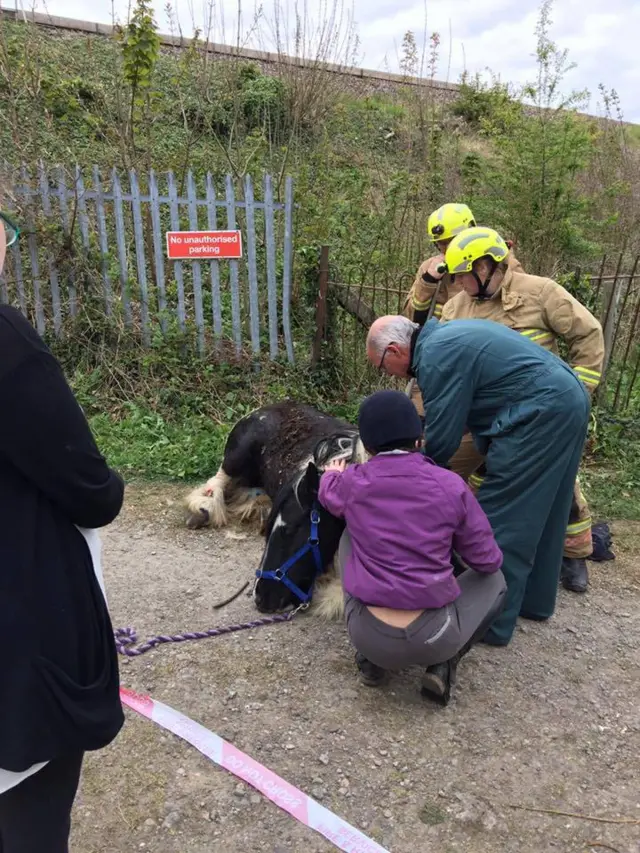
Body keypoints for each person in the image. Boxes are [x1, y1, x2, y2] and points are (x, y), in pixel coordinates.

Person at [366, 257, 591, 647]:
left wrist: (409, 480)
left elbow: (443, 437)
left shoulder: (436, 356)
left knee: (504, 519)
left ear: (396, 350)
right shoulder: (444, 340)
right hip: (564, 402)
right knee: (549, 511)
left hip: (540, 414)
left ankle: (491, 622)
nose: (388, 375)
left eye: (382, 366)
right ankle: (533, 604)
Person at [0, 208, 125, 853]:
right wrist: (111, 487)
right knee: (30, 822)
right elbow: (89, 489)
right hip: (19, 644)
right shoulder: (7, 344)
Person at [439, 227, 604, 595]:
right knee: (449, 473)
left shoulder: (540, 293)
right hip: (479, 419)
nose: (459, 283)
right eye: (456, 276)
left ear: (486, 266)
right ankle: (461, 549)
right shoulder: (456, 307)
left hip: (537, 419)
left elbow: (588, 335)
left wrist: (577, 392)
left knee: (563, 486)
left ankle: (573, 554)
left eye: (464, 274)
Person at [318, 389, 506, 706]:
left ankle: (371, 663)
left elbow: (329, 495)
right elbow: (486, 561)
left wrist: (331, 475)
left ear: (368, 446)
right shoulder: (451, 485)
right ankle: (444, 664)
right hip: (436, 637)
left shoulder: (352, 482)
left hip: (369, 636)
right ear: (419, 439)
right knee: (497, 580)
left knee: (350, 534)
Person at [403, 203, 522, 482]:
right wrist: (428, 282)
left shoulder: (495, 262)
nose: (445, 251)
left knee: (491, 452)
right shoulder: (433, 268)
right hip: (443, 366)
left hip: (483, 370)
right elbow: (412, 320)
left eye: (450, 243)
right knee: (427, 435)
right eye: (440, 245)